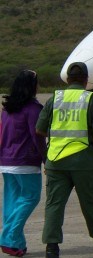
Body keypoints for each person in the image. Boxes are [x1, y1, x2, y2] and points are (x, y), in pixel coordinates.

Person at [36, 62, 93, 258]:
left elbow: (39, 129)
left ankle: (51, 248)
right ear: (86, 80)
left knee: (54, 204)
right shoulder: (90, 99)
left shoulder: (54, 99)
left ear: (67, 80)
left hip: (56, 161)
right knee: (91, 202)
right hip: (83, 161)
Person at [0, 70, 46, 257]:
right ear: (32, 86)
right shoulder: (33, 109)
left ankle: (15, 242)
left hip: (6, 160)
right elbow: (38, 136)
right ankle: (9, 238)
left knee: (12, 200)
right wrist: (45, 158)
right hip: (25, 162)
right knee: (30, 198)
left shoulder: (8, 109)